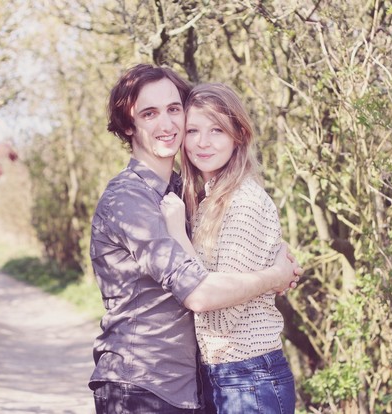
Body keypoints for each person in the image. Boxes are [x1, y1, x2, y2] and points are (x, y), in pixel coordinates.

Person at [89, 64, 301, 413]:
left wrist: (273, 255)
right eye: (149, 113)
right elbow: (199, 293)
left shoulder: (184, 193)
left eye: (174, 109)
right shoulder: (129, 200)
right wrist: (273, 277)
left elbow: (222, 260)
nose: (167, 123)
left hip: (193, 385)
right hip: (142, 383)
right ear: (129, 125)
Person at [159, 83, 297, 413]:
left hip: (250, 379)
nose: (202, 142)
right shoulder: (210, 200)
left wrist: (177, 234)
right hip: (228, 378)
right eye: (193, 130)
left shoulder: (243, 202)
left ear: (238, 134)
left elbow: (219, 317)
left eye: (216, 130)